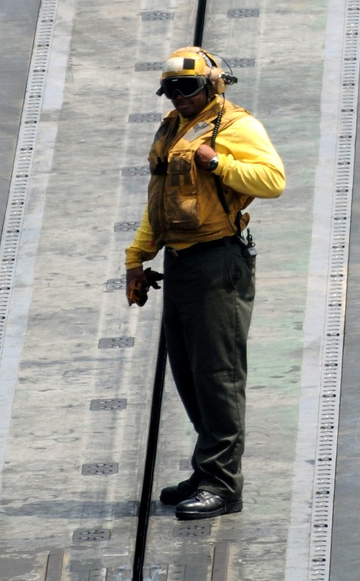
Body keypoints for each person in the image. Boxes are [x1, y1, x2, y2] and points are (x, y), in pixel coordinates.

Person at [124, 45, 286, 519]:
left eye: (187, 87)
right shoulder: (175, 128)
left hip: (219, 263)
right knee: (189, 374)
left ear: (213, 86)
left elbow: (272, 180)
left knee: (218, 377)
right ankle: (207, 468)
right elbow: (160, 204)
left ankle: (223, 485)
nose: (177, 96)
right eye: (170, 88)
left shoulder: (237, 127)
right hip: (180, 263)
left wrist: (217, 164)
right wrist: (136, 260)